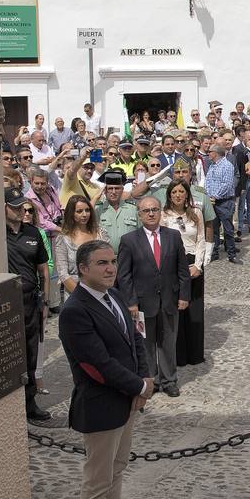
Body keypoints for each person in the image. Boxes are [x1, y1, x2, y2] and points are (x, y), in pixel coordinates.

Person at [59, 239, 152, 499]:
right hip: (100, 406)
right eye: (102, 263)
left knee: (117, 469)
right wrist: (138, 386)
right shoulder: (75, 311)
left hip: (126, 400)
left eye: (112, 261)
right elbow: (97, 364)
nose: (110, 268)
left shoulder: (113, 294)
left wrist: (145, 376)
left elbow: (134, 338)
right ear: (83, 269)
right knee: (98, 480)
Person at [115, 195, 191, 398]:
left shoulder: (173, 236)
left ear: (160, 212)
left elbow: (182, 270)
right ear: (139, 215)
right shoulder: (129, 241)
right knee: (146, 344)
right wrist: (130, 302)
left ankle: (169, 380)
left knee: (168, 342)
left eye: (154, 210)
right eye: (146, 211)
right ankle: (151, 380)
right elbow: (124, 276)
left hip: (169, 300)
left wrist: (184, 295)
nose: (151, 214)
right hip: (141, 303)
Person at [2, 187, 51, 421]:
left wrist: (46, 300)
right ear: (3, 209)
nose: (21, 211)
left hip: (31, 301)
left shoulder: (32, 232)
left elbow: (43, 268)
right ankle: (10, 405)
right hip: (7, 303)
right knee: (11, 353)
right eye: (15, 207)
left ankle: (29, 403)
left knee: (31, 352)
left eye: (22, 207)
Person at [163, 181, 207, 367]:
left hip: (192, 263)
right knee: (177, 311)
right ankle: (178, 355)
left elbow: (201, 239)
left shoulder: (195, 213)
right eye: (174, 192)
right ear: (169, 195)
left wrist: (198, 265)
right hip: (172, 265)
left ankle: (195, 353)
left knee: (194, 311)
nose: (178, 195)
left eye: (181, 191)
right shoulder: (164, 216)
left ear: (187, 194)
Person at [203, 145, 240, 264]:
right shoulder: (212, 166)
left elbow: (227, 184)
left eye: (210, 152)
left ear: (216, 153)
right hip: (212, 201)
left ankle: (231, 253)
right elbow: (207, 181)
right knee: (213, 229)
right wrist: (208, 196)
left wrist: (215, 196)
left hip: (224, 202)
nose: (208, 153)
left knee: (228, 229)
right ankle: (214, 253)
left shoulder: (227, 166)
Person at [94, 169, 140, 249]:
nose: (114, 192)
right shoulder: (98, 210)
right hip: (106, 257)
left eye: (117, 188)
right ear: (104, 191)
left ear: (122, 190)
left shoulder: (133, 209)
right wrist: (95, 197)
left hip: (130, 256)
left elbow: (142, 233)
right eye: (110, 188)